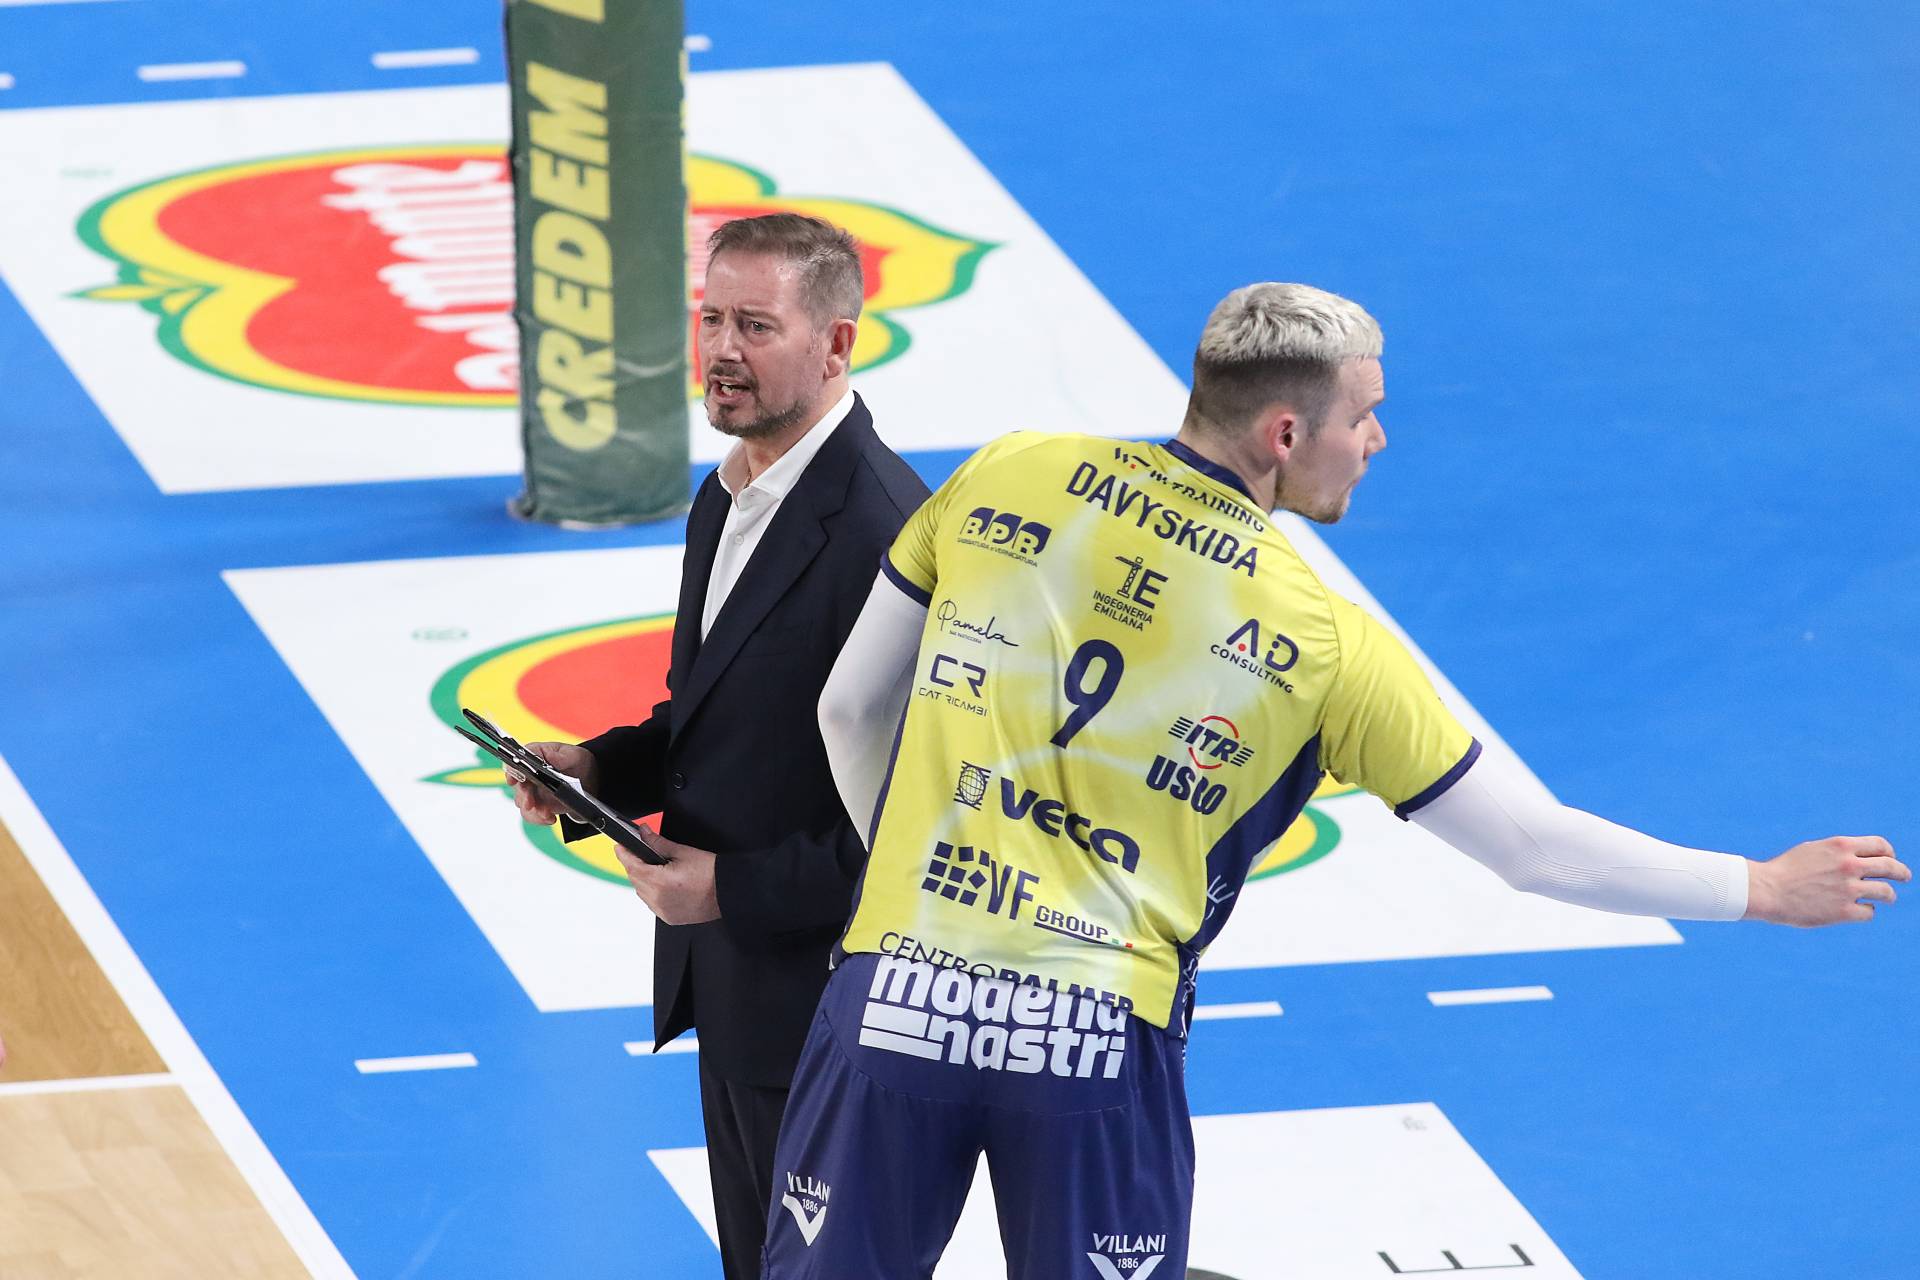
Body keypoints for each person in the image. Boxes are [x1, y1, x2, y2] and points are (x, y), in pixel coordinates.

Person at [762, 282, 1908, 1279]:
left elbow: (848, 709)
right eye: (1363, 415)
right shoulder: (1325, 640)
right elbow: (1534, 847)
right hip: (1095, 1037)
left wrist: (902, 888)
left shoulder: (1007, 469)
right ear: (1283, 431)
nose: (1377, 439)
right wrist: (1760, 884)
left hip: (895, 990)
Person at [508, 214, 930, 1280]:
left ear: (836, 345)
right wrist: (598, 770)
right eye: (711, 319)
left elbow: (928, 826)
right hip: (742, 995)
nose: (722, 350)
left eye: (756, 325)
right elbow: (715, 718)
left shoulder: (887, 537)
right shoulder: (732, 490)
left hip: (833, 1011)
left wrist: (730, 888)